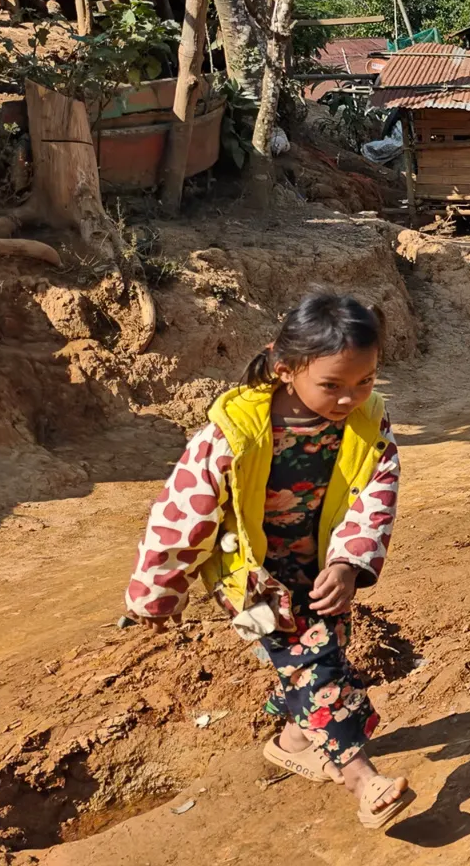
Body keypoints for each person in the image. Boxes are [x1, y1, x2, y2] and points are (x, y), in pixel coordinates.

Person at [124, 292, 412, 829]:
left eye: (365, 382)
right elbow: (182, 512)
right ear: (285, 368)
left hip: (323, 567)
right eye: (332, 385)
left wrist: (349, 562)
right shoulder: (233, 431)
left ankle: (293, 740)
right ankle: (361, 779)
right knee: (314, 663)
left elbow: (377, 491)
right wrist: (156, 594)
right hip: (250, 580)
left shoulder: (369, 425)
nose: (350, 398)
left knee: (325, 651)